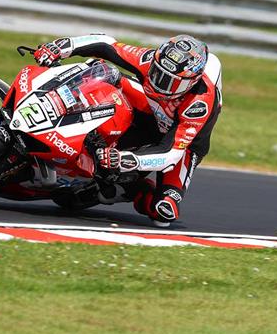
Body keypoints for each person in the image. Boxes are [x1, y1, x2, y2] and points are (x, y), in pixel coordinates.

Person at [32, 34, 222, 227]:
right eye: (157, 72)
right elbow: (107, 44)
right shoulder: (149, 59)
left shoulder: (199, 104)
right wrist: (63, 46)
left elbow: (171, 153)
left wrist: (125, 159)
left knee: (164, 211)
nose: (159, 82)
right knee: (101, 71)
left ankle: (134, 189)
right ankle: (50, 105)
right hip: (149, 108)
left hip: (181, 145)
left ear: (191, 82)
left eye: (171, 81)